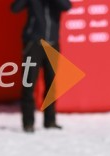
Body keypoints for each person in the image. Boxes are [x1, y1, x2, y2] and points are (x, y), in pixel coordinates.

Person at [10, 0, 71, 133]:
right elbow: (15, 8)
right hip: (33, 44)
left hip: (52, 44)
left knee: (51, 85)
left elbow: (66, 6)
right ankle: (28, 123)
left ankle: (50, 121)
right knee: (28, 84)